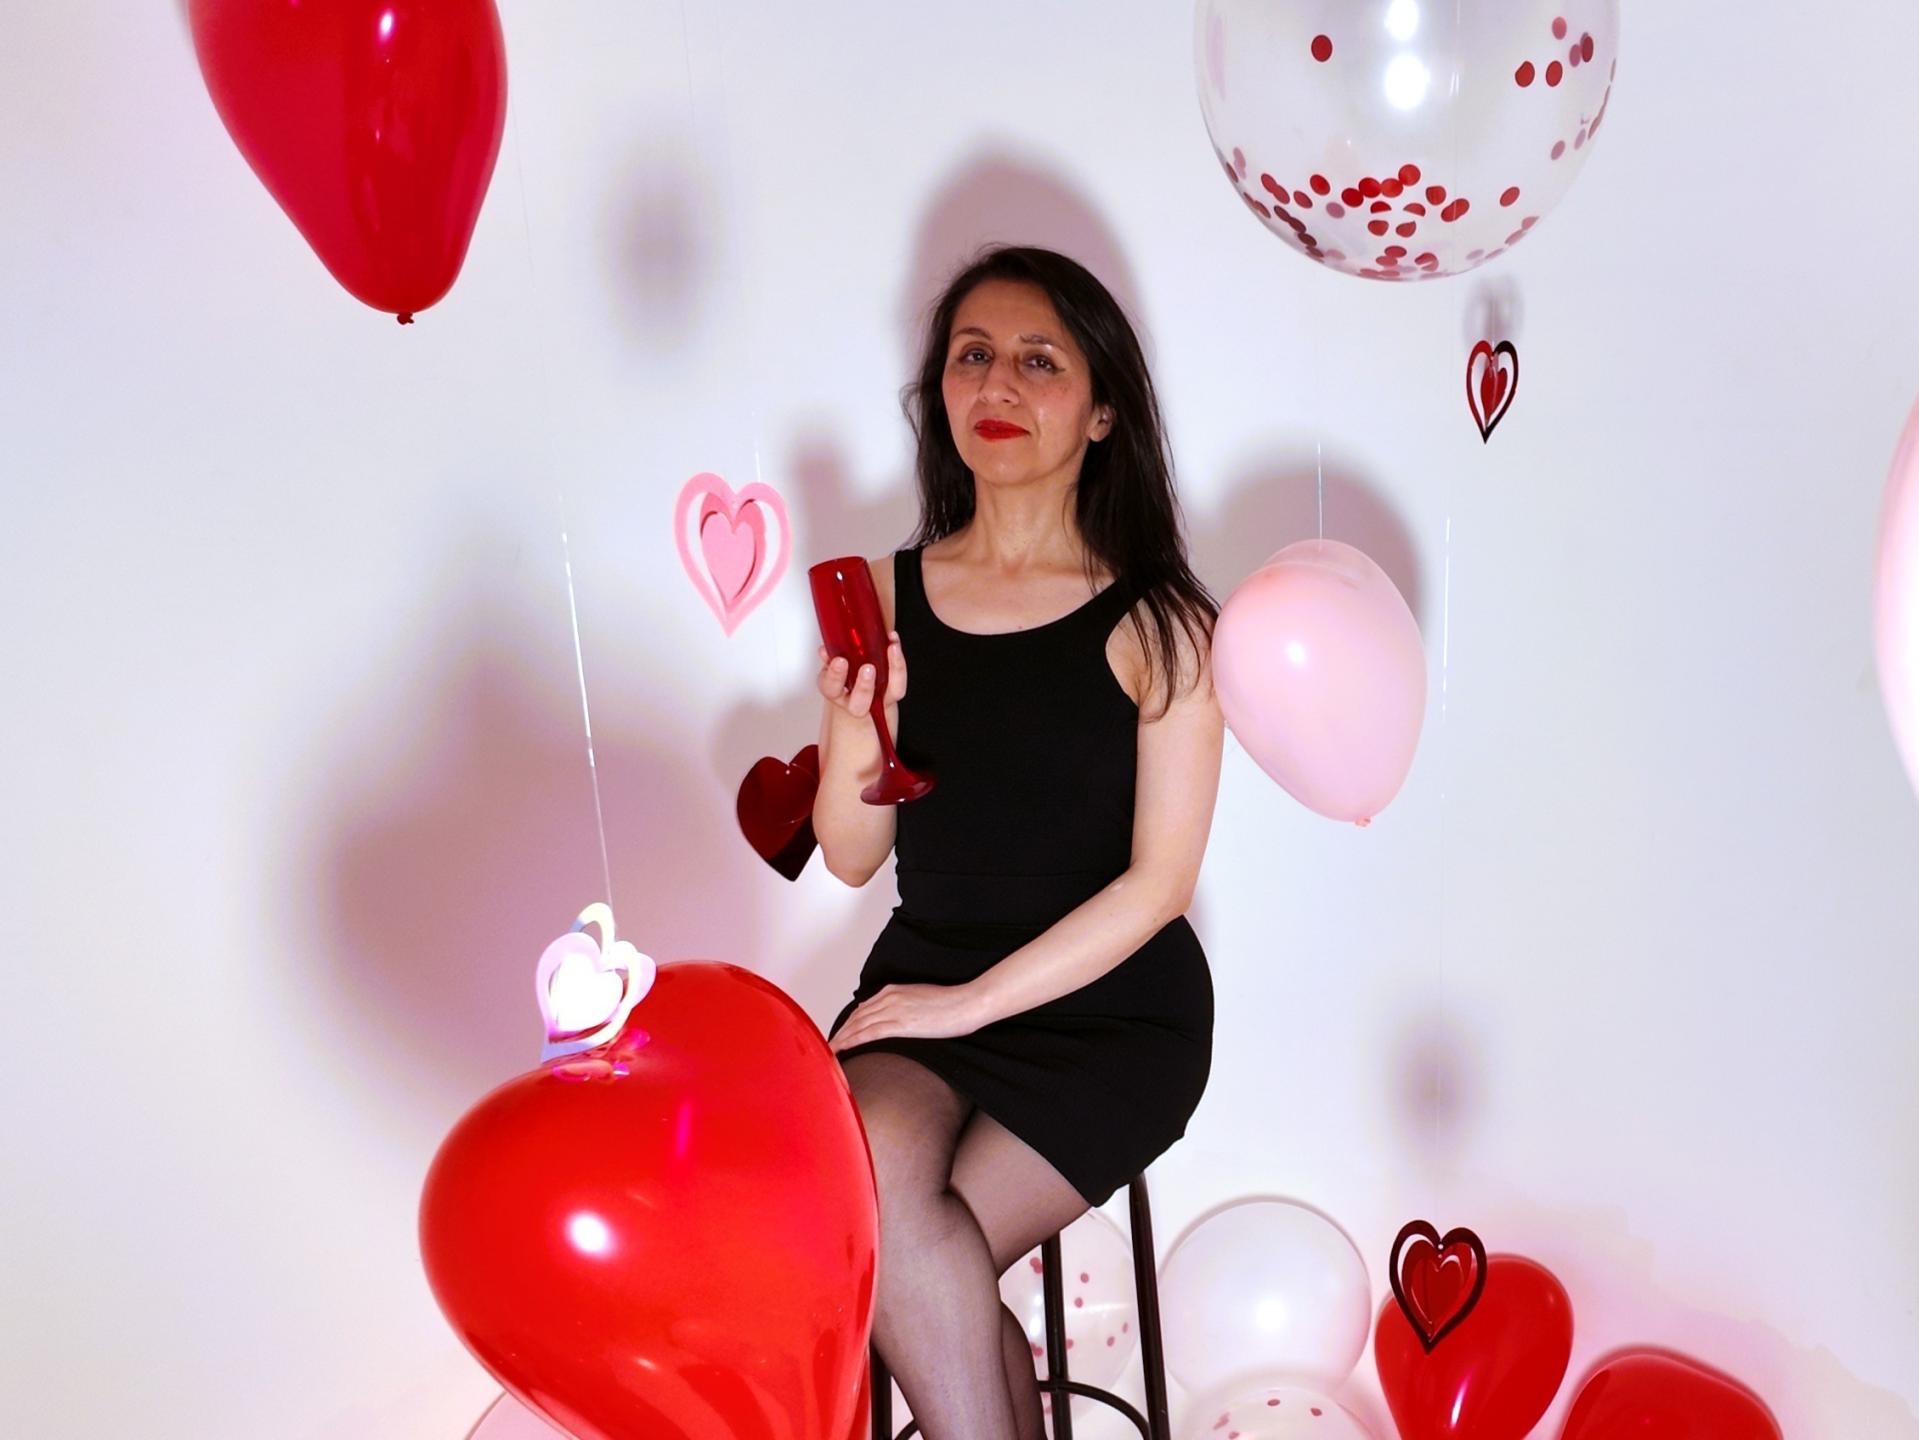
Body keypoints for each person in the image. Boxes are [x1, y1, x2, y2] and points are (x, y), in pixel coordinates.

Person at [812, 244, 1223, 1440]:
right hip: (929, 974)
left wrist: (964, 1007)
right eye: (971, 356)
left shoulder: (1162, 622)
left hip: (1111, 1009)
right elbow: (849, 854)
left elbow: (1158, 886)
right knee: (885, 1198)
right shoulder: (882, 593)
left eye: (1039, 361)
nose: (996, 384)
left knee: (899, 1248)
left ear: (1101, 411)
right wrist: (854, 723)